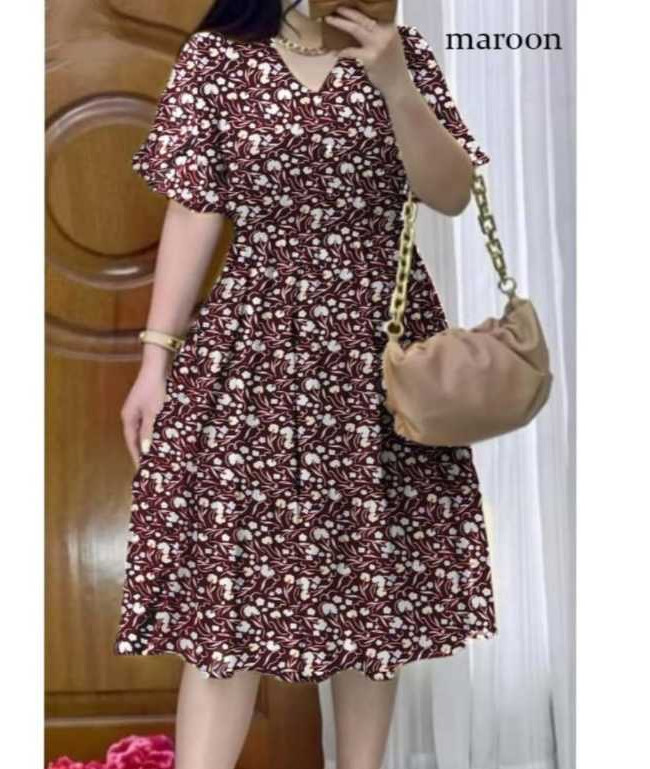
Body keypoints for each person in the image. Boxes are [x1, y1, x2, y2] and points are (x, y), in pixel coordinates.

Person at [114, 2, 497, 768]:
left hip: (379, 355)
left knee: (370, 593)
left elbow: (450, 192)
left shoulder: (401, 54)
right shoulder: (217, 59)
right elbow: (192, 211)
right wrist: (154, 357)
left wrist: (394, 83)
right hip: (251, 354)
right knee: (225, 595)